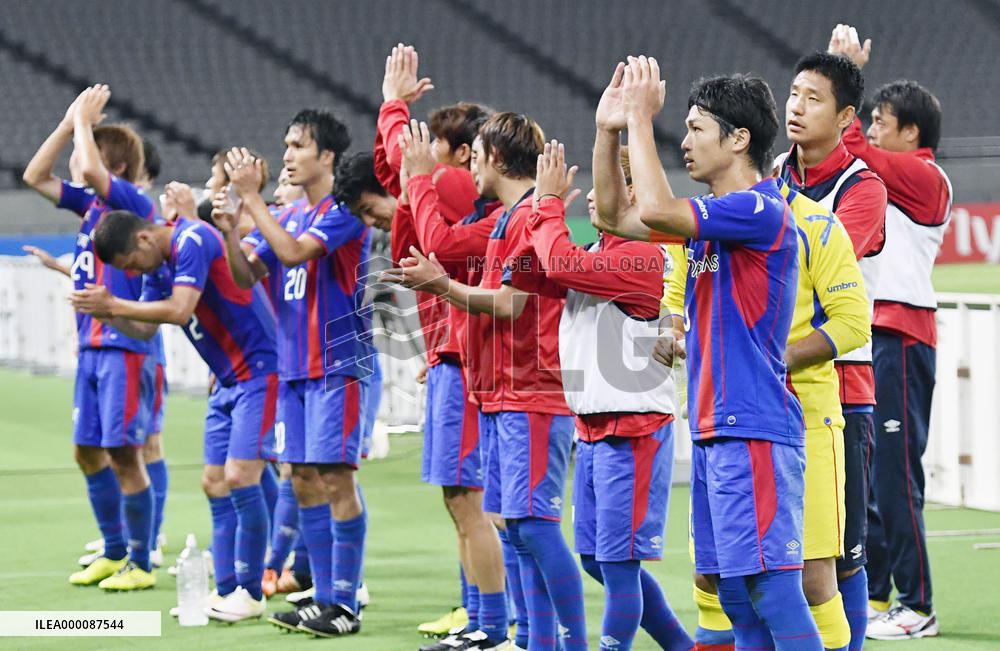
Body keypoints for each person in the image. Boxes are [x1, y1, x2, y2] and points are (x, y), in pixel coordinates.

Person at [592, 57, 821, 649]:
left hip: (755, 430)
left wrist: (642, 122)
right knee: (738, 597)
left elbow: (657, 209)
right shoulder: (717, 224)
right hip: (720, 431)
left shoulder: (759, 209)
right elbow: (618, 216)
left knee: (771, 589)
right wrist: (608, 130)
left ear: (738, 138)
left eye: (696, 128)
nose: (685, 141)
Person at [385, 112, 586, 651]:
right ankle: (535, 642)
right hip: (498, 393)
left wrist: (441, 285)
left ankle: (573, 641)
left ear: (495, 157)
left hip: (531, 392)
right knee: (513, 527)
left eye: (474, 157)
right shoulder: (505, 222)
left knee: (535, 526)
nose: (469, 169)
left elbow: (509, 303)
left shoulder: (526, 220)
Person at [71, 209, 279, 622]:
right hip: (227, 378)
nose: (132, 272)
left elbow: (181, 310)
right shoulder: (158, 266)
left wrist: (115, 301)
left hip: (260, 369)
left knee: (241, 477)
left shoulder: (192, 240)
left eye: (130, 264)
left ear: (145, 240)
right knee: (214, 483)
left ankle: (253, 590)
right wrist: (108, 313)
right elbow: (147, 329)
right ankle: (225, 590)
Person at [531, 141, 696, 651]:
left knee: (619, 567)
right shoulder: (598, 254)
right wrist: (532, 214)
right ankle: (683, 647)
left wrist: (545, 205)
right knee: (597, 560)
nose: (595, 196)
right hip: (595, 428)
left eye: (615, 182)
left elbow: (554, 263)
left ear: (635, 192)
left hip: (633, 430)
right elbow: (528, 270)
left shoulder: (643, 256)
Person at [375, 44, 510, 648]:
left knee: (471, 501)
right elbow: (400, 181)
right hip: (453, 357)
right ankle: (481, 620)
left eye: (434, 142)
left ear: (465, 156)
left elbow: (396, 168)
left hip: (464, 361)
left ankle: (490, 624)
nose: (416, 149)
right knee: (466, 501)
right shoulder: (453, 192)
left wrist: (394, 108)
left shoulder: (456, 186)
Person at [218, 108, 372, 639]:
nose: (286, 155)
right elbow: (248, 274)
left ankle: (347, 603)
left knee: (335, 477)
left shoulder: (343, 210)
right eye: (285, 144)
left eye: (298, 146)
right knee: (303, 479)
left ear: (325, 156)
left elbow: (293, 254)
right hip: (294, 367)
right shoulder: (285, 215)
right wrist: (230, 227)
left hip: (336, 362)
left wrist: (252, 199)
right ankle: (323, 599)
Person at [829, 24, 952, 642]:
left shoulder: (926, 179)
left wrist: (843, 74)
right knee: (872, 472)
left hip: (901, 333)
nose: (871, 129)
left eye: (879, 119)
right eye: (868, 119)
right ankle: (879, 590)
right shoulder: (890, 177)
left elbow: (856, 154)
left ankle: (919, 603)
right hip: (875, 334)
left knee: (896, 475)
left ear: (912, 133)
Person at [21, 85, 158, 590]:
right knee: (86, 451)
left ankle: (141, 563)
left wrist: (83, 120)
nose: (79, 158)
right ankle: (115, 550)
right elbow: (34, 176)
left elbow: (95, 172)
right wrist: (66, 123)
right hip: (92, 347)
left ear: (112, 166)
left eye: (87, 150)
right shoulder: (90, 209)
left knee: (125, 453)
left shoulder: (130, 201)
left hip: (124, 346)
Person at [775, 50, 889, 651]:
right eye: (793, 94)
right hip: (771, 391)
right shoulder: (772, 173)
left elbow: (817, 260)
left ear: (847, 117)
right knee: (780, 554)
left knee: (839, 559)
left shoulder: (864, 188)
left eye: (813, 98)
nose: (796, 107)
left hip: (840, 390)